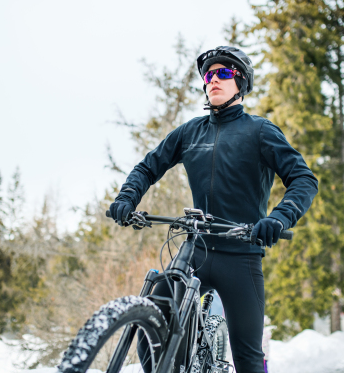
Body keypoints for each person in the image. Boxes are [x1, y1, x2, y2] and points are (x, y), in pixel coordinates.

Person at [109, 46, 318, 373]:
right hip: (195, 250)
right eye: (209, 75)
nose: (213, 80)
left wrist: (278, 218)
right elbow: (147, 168)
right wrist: (127, 199)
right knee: (153, 320)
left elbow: (303, 179)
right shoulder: (190, 132)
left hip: (242, 255)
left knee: (247, 359)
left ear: (241, 82)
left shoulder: (259, 131)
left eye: (223, 73)